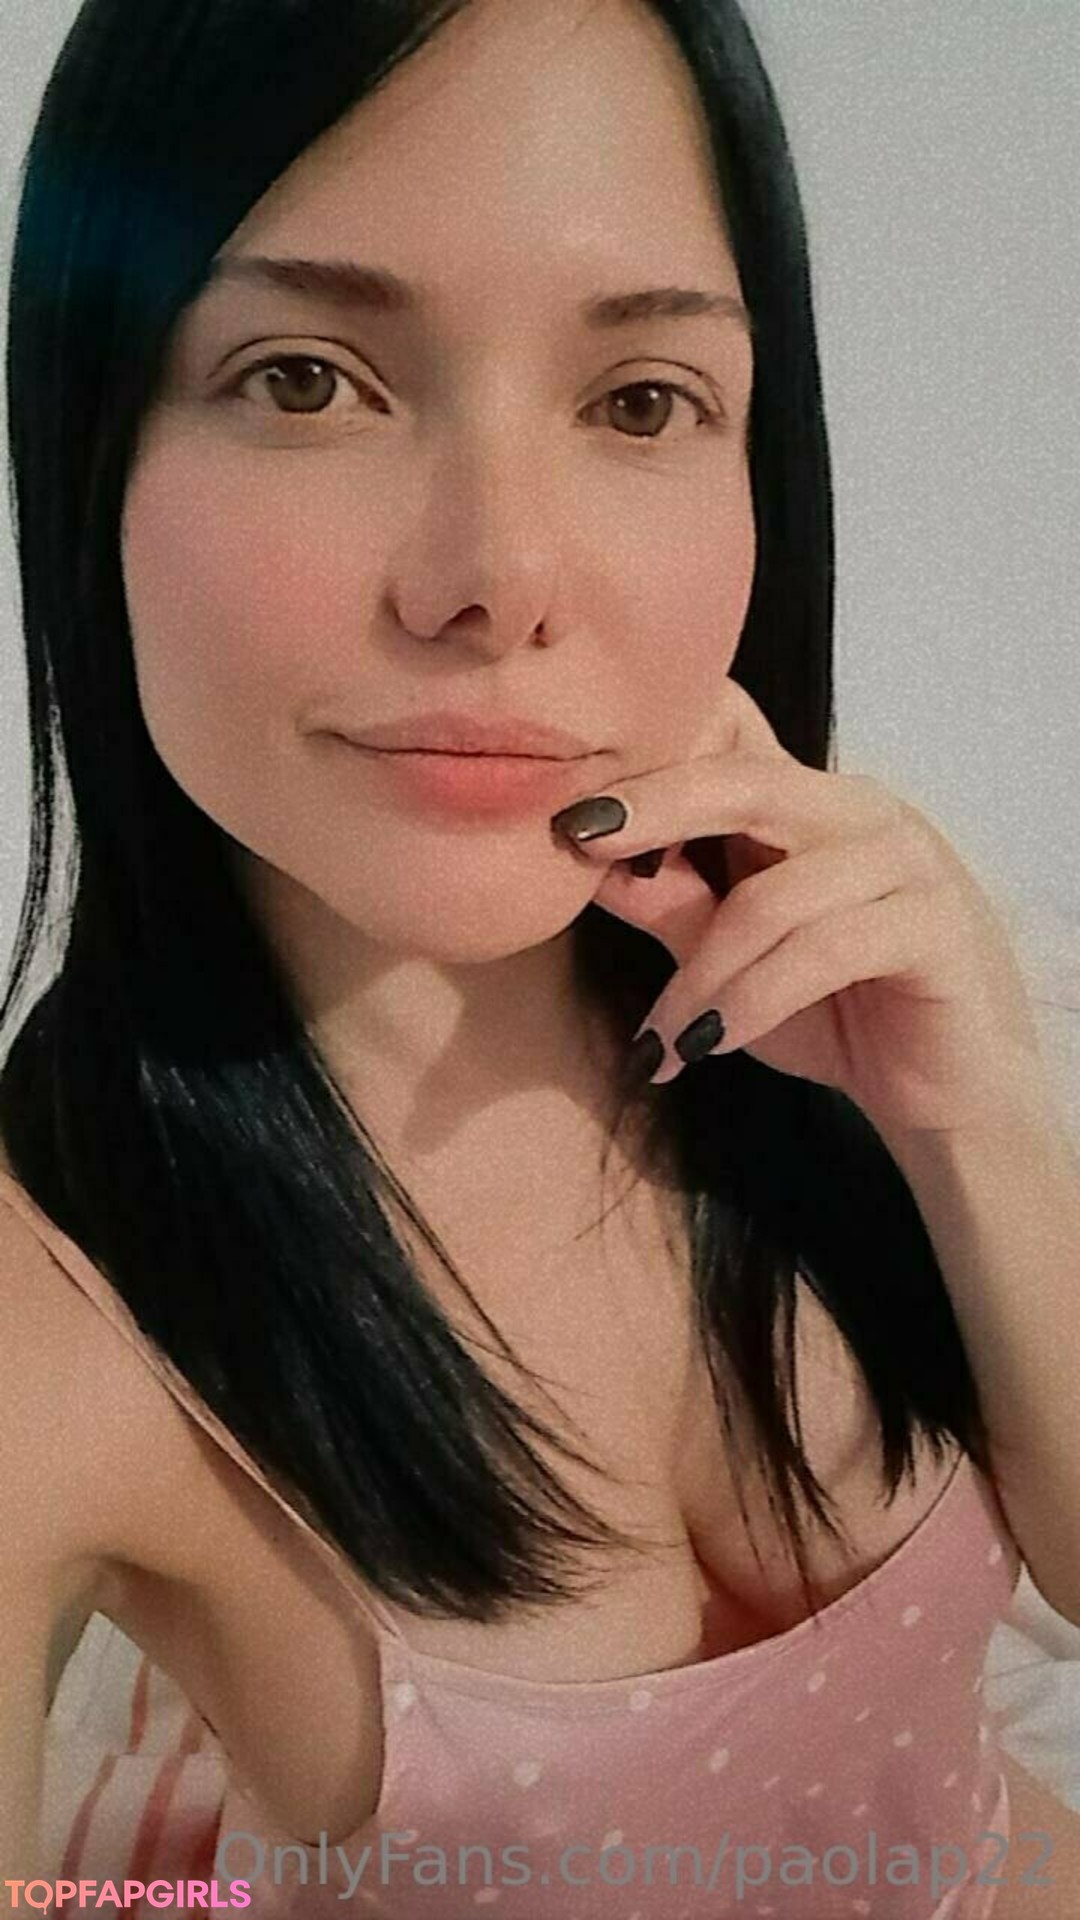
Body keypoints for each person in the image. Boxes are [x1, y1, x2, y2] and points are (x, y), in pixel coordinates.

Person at [1, 0, 1078, 1914]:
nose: (499, 577)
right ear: (92, 442)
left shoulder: (825, 989)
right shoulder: (50, 1314)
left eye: (642, 400)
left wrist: (975, 1118)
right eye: (309, 379)